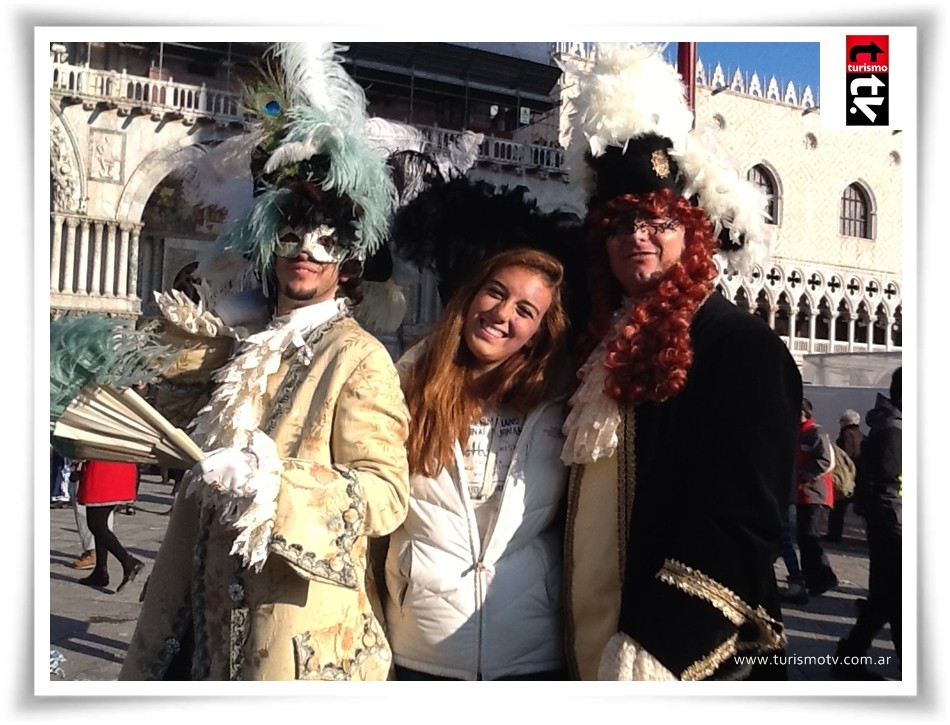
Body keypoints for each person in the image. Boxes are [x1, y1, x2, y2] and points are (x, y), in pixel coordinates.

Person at [118, 42, 410, 681]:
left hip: (289, 637)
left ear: (348, 259)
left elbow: (387, 496)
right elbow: (174, 444)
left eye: (327, 241)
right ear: (265, 241)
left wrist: (276, 483)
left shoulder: (359, 358)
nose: (306, 251)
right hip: (197, 620)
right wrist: (186, 368)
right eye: (290, 234)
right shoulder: (242, 342)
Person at [558, 42, 802, 681]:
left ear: (692, 236)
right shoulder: (593, 347)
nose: (636, 236)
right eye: (619, 225)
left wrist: (660, 645)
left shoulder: (742, 349)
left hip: (681, 660)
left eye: (656, 221)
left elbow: (741, 520)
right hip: (583, 644)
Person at [383, 248, 571, 681]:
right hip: (421, 648)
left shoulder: (561, 403)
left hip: (530, 650)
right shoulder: (405, 384)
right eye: (495, 293)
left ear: (540, 332)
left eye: (524, 310)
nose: (501, 314)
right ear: (471, 296)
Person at [833, 367, 902, 680]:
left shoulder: (892, 427)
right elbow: (890, 490)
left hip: (889, 524)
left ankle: (849, 658)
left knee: (887, 599)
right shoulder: (893, 431)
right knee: (896, 597)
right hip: (893, 527)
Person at [74, 459, 144, 592]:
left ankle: (128, 561)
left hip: (104, 468)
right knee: (99, 522)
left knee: (96, 524)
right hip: (119, 467)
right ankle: (100, 571)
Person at [795, 398, 839, 597]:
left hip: (815, 494)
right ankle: (813, 577)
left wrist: (805, 474)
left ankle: (823, 578)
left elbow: (825, 460)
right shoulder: (798, 433)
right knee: (804, 537)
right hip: (802, 494)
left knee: (809, 536)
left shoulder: (815, 433)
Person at [826, 408, 865, 542]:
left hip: (846, 476)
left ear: (845, 422)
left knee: (838, 508)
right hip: (859, 476)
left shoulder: (846, 435)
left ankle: (834, 534)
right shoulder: (861, 435)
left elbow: (843, 456)